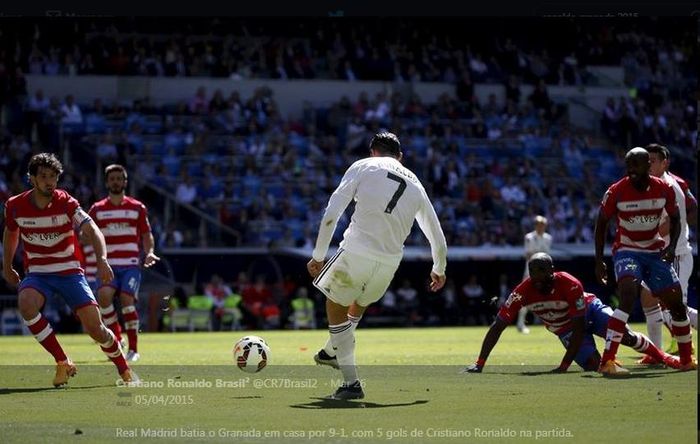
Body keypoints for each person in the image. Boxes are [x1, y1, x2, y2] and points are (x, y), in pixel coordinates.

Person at [307, 132, 447, 400]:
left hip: (357, 251)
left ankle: (351, 383)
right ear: (400, 157)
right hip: (390, 262)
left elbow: (332, 212)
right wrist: (439, 269)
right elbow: (436, 234)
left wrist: (318, 254)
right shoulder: (416, 184)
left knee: (334, 305)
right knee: (358, 303)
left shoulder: (363, 166)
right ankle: (329, 352)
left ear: (373, 152)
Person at [2, 153, 136, 386]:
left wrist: (102, 259)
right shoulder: (15, 205)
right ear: (31, 178)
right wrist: (7, 265)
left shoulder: (66, 202)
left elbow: (92, 228)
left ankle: (125, 370)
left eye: (53, 177)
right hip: (38, 274)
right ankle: (63, 361)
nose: (49, 182)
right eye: (43, 176)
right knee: (26, 303)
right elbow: (11, 232)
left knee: (96, 330)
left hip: (70, 273)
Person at [463, 253, 679, 373]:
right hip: (564, 327)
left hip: (589, 311)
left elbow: (579, 324)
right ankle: (609, 362)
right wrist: (480, 363)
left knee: (626, 336)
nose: (538, 283)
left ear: (552, 271)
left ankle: (663, 357)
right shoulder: (523, 291)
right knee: (594, 367)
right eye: (534, 278)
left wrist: (564, 365)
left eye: (543, 277)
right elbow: (498, 325)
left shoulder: (569, 283)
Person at [594, 147, 695, 376]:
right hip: (627, 250)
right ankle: (608, 361)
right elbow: (601, 225)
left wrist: (670, 247)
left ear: (648, 166)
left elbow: (678, 219)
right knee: (628, 296)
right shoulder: (616, 191)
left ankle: (687, 359)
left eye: (636, 166)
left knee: (677, 305)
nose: (631, 171)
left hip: (654, 251)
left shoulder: (665, 188)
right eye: (628, 166)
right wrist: (599, 260)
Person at [89, 164, 159, 362]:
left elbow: (147, 235)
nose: (116, 182)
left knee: (127, 300)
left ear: (125, 182)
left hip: (130, 265)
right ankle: (117, 340)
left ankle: (134, 349)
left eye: (119, 178)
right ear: (106, 182)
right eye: (112, 179)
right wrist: (84, 236)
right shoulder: (97, 209)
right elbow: (88, 233)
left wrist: (150, 252)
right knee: (103, 297)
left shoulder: (137, 208)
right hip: (108, 265)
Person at [639, 143, 697, 362]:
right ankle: (656, 353)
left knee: (676, 309)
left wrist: (639, 233)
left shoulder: (669, 186)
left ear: (665, 163)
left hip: (676, 255)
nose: (649, 165)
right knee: (648, 299)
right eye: (647, 160)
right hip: (657, 255)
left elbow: (668, 224)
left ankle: (684, 350)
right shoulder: (653, 184)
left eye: (653, 161)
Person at [517, 215, 552, 334]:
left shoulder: (548, 238)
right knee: (525, 296)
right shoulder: (529, 237)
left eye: (542, 224)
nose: (541, 227)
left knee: (545, 295)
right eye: (538, 224)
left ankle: (545, 322)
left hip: (544, 273)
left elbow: (547, 255)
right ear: (535, 225)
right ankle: (520, 323)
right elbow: (528, 255)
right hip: (530, 272)